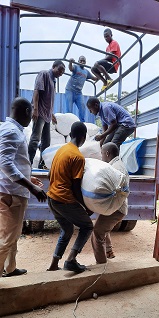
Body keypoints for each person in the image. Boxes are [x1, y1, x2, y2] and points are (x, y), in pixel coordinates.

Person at [0, 97, 47, 278]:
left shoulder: (9, 129)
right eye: (32, 113)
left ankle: (10, 269)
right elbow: (5, 163)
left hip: (11, 190)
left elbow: (11, 162)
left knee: (11, 234)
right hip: (12, 194)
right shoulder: (12, 131)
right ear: (27, 112)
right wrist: (30, 186)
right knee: (7, 239)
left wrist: (28, 177)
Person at [47, 121, 93, 273]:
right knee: (87, 226)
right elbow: (75, 187)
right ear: (83, 137)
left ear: (71, 134)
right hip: (63, 199)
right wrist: (86, 207)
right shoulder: (78, 157)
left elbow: (49, 175)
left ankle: (54, 264)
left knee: (67, 230)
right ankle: (71, 260)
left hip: (52, 197)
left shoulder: (61, 150)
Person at [91, 143, 129, 264]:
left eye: (102, 153)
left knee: (97, 232)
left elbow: (117, 189)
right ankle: (109, 252)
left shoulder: (116, 168)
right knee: (102, 227)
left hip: (117, 208)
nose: (101, 156)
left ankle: (101, 264)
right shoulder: (115, 165)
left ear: (107, 154)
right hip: (115, 207)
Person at [28, 60, 65, 169]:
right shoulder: (44, 74)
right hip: (39, 113)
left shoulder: (53, 81)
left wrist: (51, 114)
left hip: (47, 115)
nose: (60, 74)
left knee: (46, 142)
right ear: (53, 66)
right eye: (59, 70)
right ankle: (28, 163)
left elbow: (47, 100)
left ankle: (42, 164)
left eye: (62, 73)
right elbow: (36, 91)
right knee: (35, 139)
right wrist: (35, 108)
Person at [65, 56, 97, 122]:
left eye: (83, 61)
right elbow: (71, 68)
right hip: (70, 90)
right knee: (69, 109)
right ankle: (68, 122)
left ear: (85, 62)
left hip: (78, 92)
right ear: (78, 61)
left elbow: (94, 78)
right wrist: (70, 62)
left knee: (82, 107)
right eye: (80, 61)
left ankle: (82, 123)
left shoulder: (86, 72)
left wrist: (100, 74)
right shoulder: (76, 67)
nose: (82, 62)